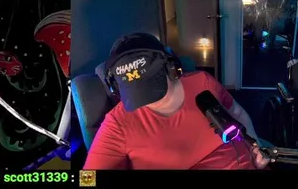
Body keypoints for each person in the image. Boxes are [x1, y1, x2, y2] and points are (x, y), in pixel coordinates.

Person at [84, 33, 271, 170]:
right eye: (136, 94)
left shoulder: (202, 83)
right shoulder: (117, 124)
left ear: (172, 68)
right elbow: (87, 179)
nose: (148, 101)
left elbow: (236, 112)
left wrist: (255, 146)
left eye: (152, 87)